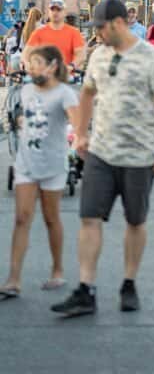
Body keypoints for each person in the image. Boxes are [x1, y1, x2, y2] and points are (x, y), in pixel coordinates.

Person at [51, 0, 154, 318]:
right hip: (101, 153)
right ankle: (86, 288)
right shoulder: (99, 55)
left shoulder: (152, 58)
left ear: (118, 24)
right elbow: (88, 93)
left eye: (101, 28)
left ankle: (129, 283)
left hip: (139, 154)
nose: (98, 34)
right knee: (89, 217)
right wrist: (80, 133)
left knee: (135, 220)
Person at [0, 46, 80, 300]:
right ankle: (13, 279)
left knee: (50, 218)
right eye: (30, 64)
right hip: (26, 162)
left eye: (37, 63)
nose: (31, 68)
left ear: (52, 66)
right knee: (22, 217)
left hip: (54, 164)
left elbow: (77, 125)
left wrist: (79, 143)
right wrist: (21, 122)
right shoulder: (24, 91)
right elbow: (22, 117)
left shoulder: (64, 93)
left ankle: (57, 270)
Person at [22, 0, 86, 70]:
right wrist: (27, 63)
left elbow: (81, 54)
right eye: (52, 9)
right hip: (44, 76)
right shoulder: (39, 32)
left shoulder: (74, 33)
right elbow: (26, 53)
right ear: (49, 12)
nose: (55, 12)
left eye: (58, 10)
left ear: (64, 12)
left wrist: (72, 66)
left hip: (66, 76)